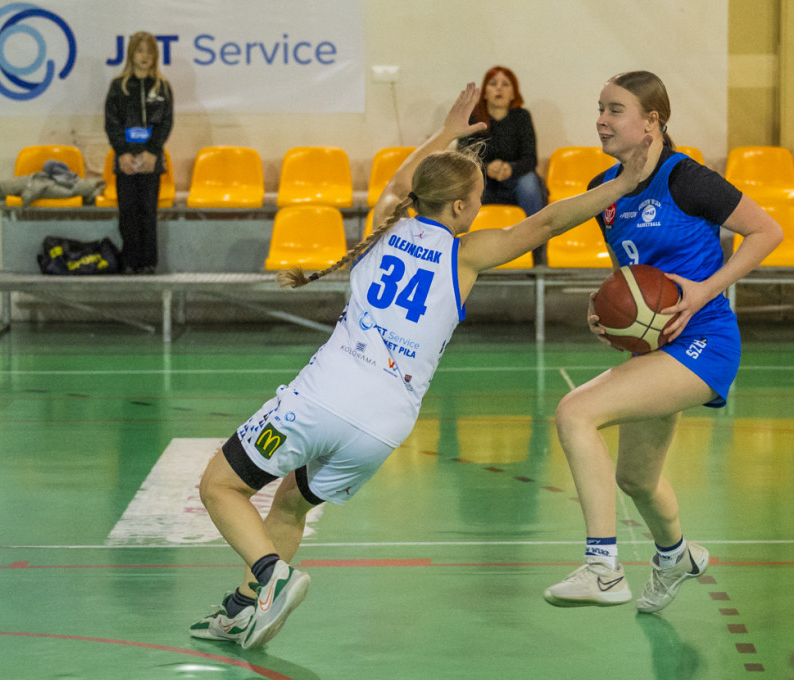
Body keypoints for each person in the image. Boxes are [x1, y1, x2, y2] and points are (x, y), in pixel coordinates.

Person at [189, 83, 650, 649]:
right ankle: (243, 607)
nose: (480, 207)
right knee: (290, 502)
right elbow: (547, 223)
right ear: (459, 208)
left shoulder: (385, 224)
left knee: (219, 486)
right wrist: (624, 184)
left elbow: (399, 182)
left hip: (325, 398)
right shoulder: (466, 256)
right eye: (478, 198)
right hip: (385, 426)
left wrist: (448, 133)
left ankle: (271, 575)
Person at [543, 71, 782, 612]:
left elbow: (768, 231)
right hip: (657, 347)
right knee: (636, 478)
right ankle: (675, 557)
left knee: (575, 412)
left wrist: (703, 292)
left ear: (652, 121)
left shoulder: (687, 179)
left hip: (705, 341)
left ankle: (603, 568)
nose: (601, 119)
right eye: (599, 108)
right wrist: (604, 310)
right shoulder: (603, 191)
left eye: (615, 110)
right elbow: (631, 275)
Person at [104, 31, 173, 274]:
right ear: (131, 54)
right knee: (128, 213)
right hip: (125, 161)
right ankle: (130, 262)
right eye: (140, 51)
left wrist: (152, 152)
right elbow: (112, 123)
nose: (145, 56)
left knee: (147, 212)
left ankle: (148, 264)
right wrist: (123, 153)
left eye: (150, 52)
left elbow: (166, 123)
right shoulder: (118, 87)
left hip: (150, 161)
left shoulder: (162, 87)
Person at [459, 66, 546, 217]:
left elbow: (530, 159)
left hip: (515, 174)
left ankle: (536, 238)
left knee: (529, 184)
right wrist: (487, 168)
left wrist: (510, 169)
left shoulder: (522, 116)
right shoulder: (472, 117)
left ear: (513, 93)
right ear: (485, 93)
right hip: (481, 175)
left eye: (505, 84)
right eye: (493, 84)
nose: (499, 88)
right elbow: (462, 158)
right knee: (470, 185)